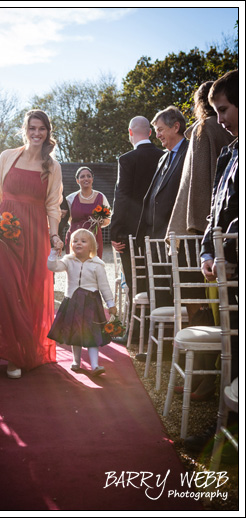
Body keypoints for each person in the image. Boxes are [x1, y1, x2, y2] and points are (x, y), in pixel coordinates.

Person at [0, 109, 63, 379]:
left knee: (30, 292)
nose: (37, 133)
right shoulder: (7, 157)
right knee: (8, 289)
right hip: (6, 232)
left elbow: (53, 205)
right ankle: (13, 354)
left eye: (42, 128)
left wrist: (54, 235)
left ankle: (26, 348)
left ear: (47, 131)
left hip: (36, 233)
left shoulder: (52, 166)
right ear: (24, 130)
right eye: (32, 128)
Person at [185, 70, 239, 453]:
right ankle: (228, 425)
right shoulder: (229, 152)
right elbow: (216, 213)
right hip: (226, 263)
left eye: (224, 110)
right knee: (234, 347)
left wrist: (229, 247)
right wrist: (208, 250)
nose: (220, 119)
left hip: (236, 257)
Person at [135, 106, 189, 362]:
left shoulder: (190, 152)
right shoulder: (163, 157)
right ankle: (162, 350)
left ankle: (177, 349)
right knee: (160, 292)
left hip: (177, 236)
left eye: (160, 130)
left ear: (176, 127)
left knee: (176, 293)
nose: (157, 135)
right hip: (157, 237)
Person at [110, 116, 164, 343]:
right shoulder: (165, 156)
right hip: (161, 231)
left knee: (134, 281)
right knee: (159, 280)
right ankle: (160, 333)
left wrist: (115, 231)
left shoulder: (127, 159)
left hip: (132, 233)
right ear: (150, 133)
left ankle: (135, 335)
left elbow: (121, 196)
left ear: (130, 133)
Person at [166, 81, 234, 239]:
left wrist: (197, 220)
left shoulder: (204, 127)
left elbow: (198, 179)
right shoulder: (225, 126)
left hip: (209, 221)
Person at [48, 229, 116, 376]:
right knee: (75, 332)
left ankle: (95, 365)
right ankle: (76, 361)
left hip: (91, 303)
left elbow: (104, 286)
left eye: (83, 241)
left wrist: (111, 304)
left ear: (92, 247)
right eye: (75, 241)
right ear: (71, 244)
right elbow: (52, 267)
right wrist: (54, 252)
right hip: (72, 301)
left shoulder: (97, 265)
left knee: (92, 334)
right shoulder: (68, 261)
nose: (78, 243)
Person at [65, 167, 111, 259]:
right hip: (75, 240)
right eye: (82, 176)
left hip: (94, 239)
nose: (86, 178)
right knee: (73, 267)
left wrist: (100, 221)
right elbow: (68, 220)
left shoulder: (101, 197)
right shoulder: (70, 199)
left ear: (92, 179)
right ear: (77, 180)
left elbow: (108, 219)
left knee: (93, 267)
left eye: (88, 176)